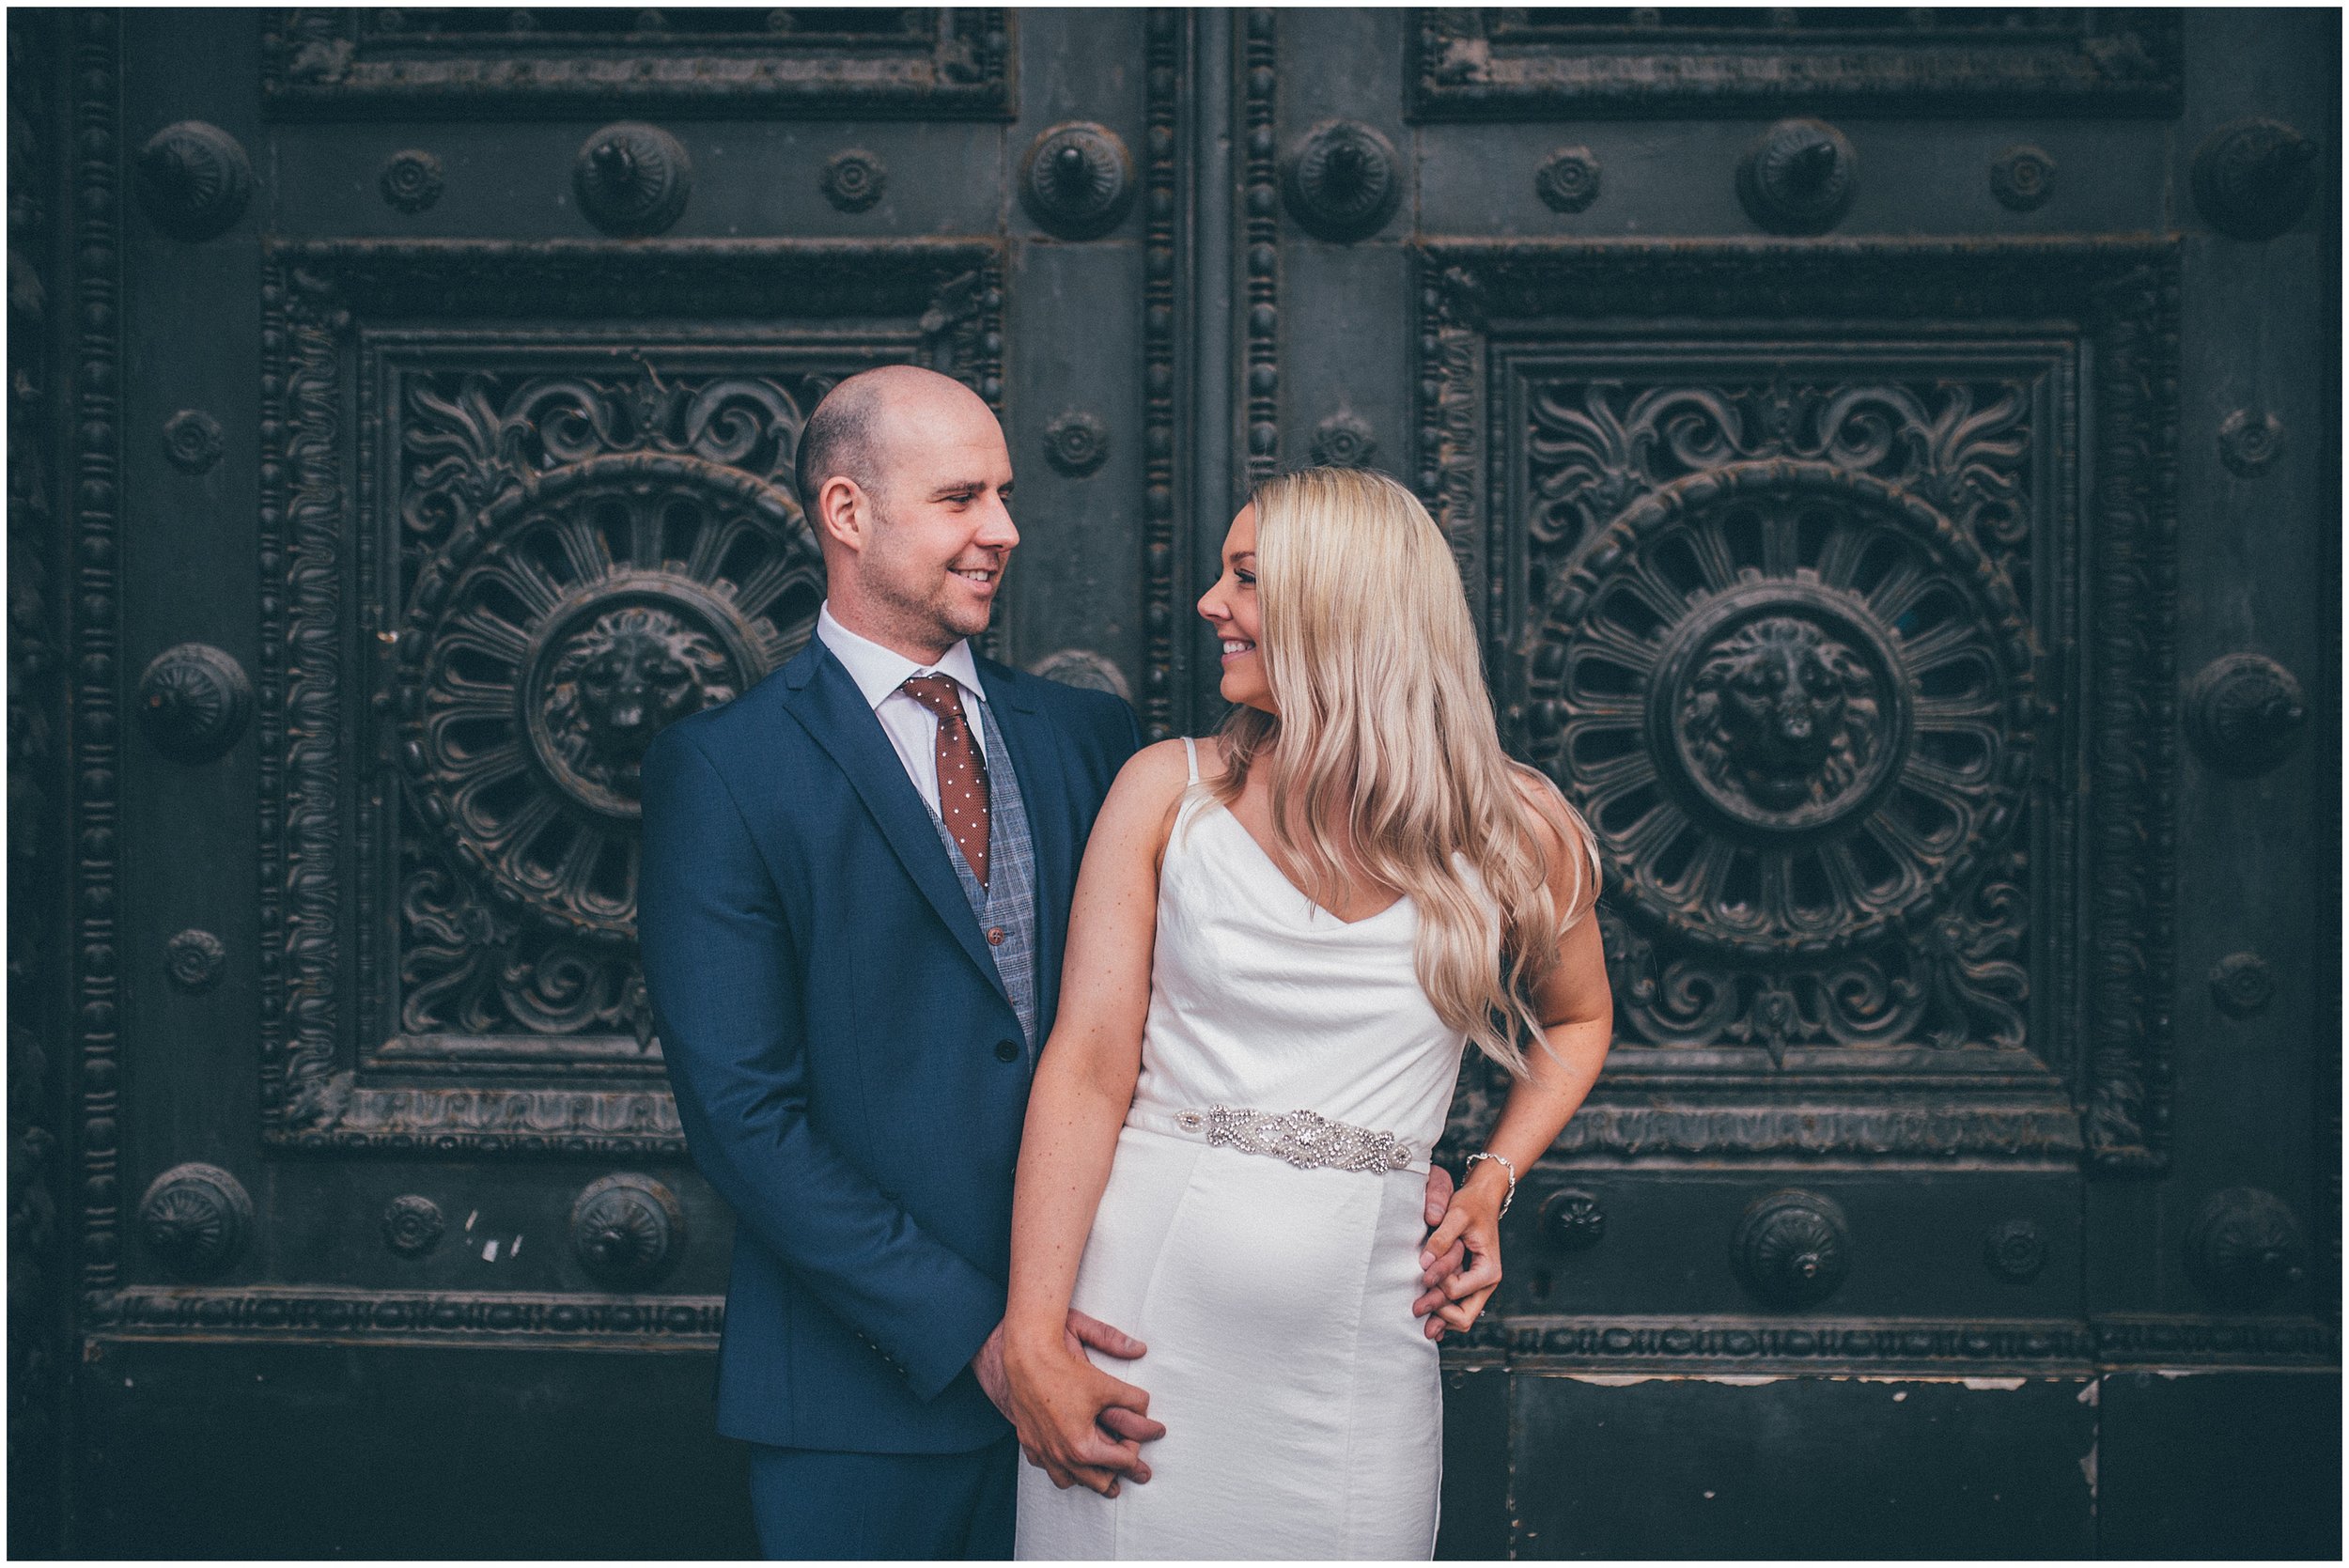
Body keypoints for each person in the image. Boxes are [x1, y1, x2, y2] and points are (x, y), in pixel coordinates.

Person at [636, 371, 1466, 1560]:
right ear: (847, 511)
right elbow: (743, 1121)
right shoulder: (723, 770)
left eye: (1008, 494)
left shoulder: (1086, 738)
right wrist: (992, 1337)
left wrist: (1377, 1162)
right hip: (862, 1396)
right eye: (962, 497)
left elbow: (1196, 1002)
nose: (1005, 530)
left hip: (1140, 1351)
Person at [1002, 465, 1616, 1560]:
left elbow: (1576, 1022)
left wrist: (1490, 1181)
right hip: (1140, 1329)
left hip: (1360, 1354)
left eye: (1244, 576)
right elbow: (1088, 1065)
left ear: (1342, 603)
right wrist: (1033, 1331)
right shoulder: (1166, 792)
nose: (1209, 602)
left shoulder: (1515, 825)